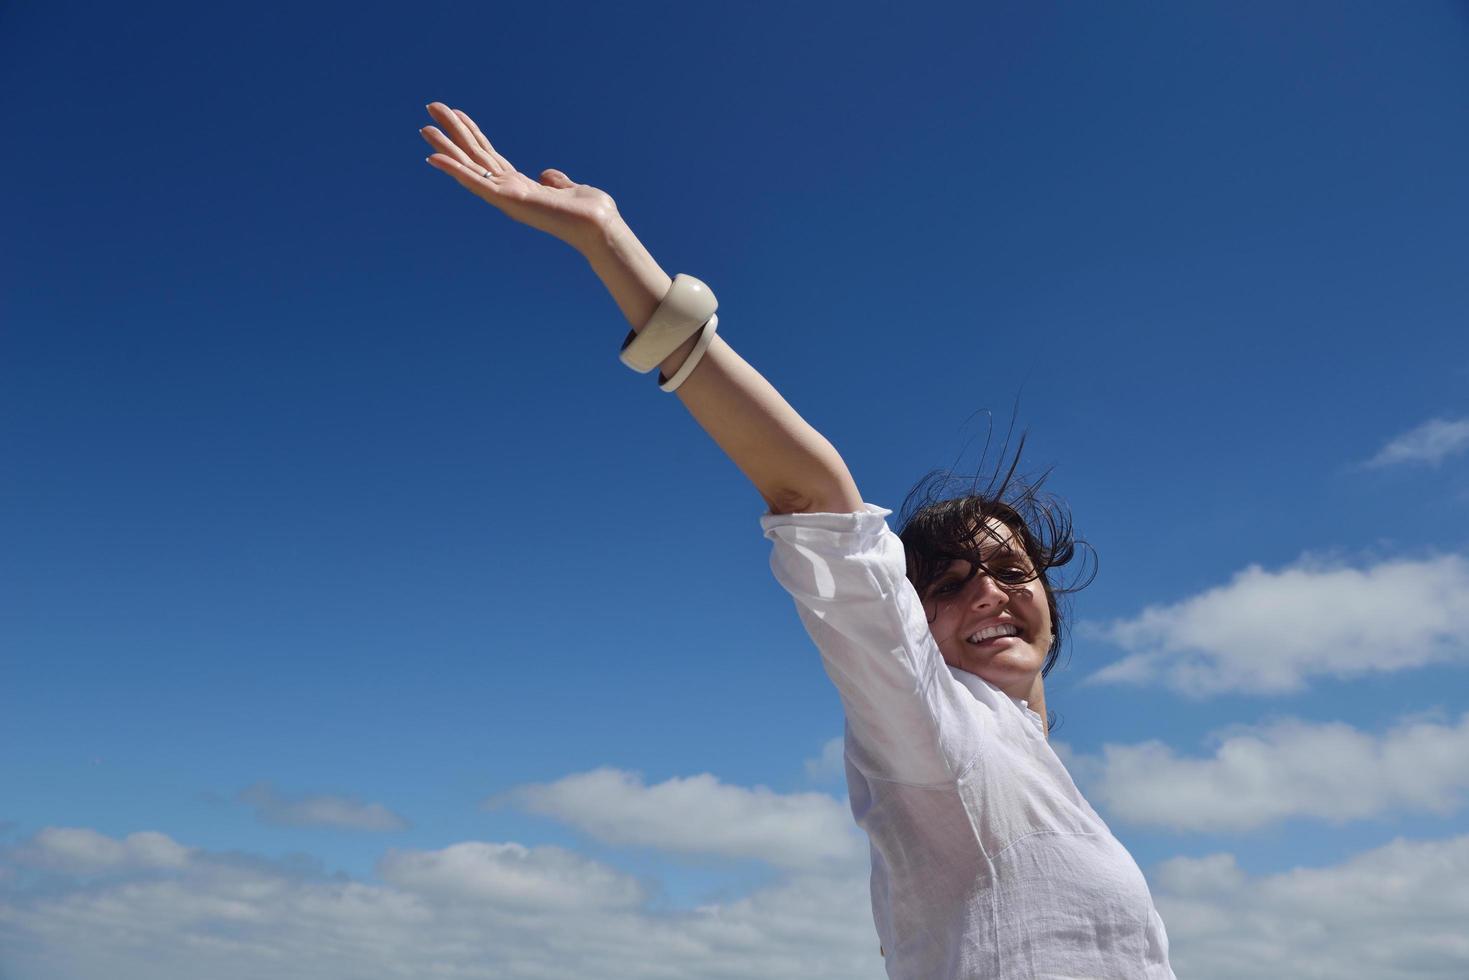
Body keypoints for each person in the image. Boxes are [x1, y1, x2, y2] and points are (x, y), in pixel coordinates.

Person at [420, 101, 1177, 980]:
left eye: (1010, 570)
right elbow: (810, 491)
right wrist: (610, 247)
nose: (988, 593)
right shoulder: (932, 728)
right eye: (947, 582)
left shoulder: (1030, 768)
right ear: (908, 622)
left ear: (1049, 598)